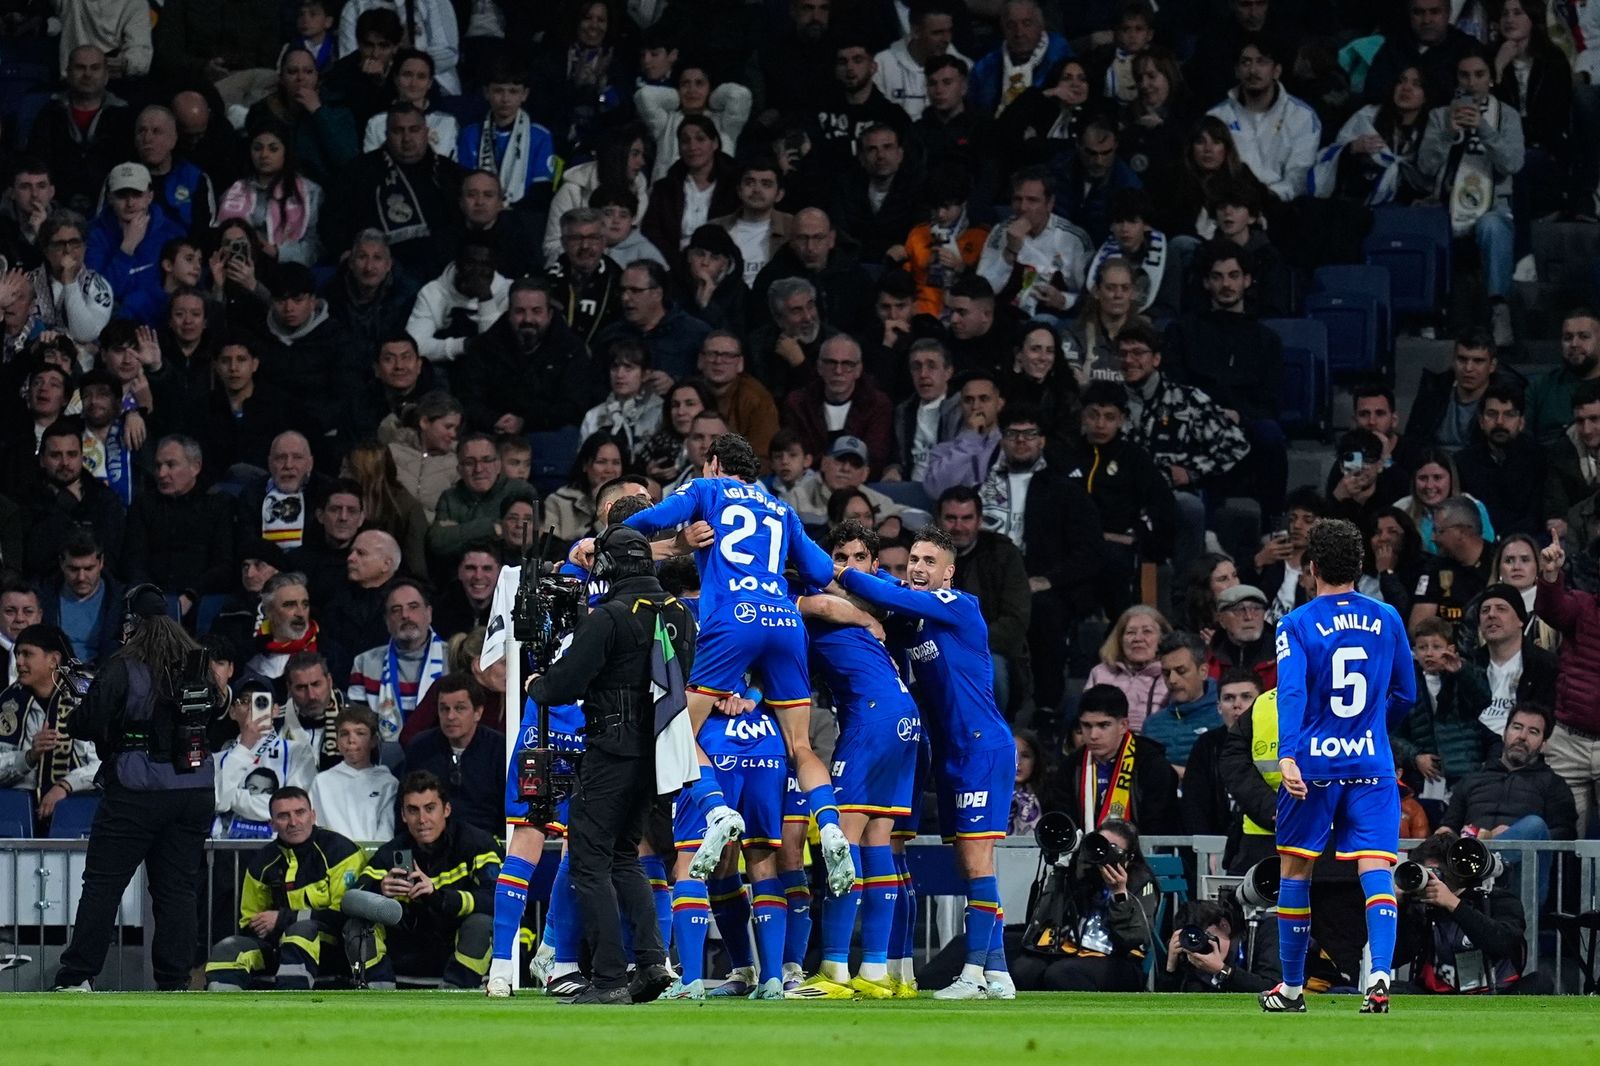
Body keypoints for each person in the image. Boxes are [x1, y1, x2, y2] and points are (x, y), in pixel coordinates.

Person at [618, 434, 852, 901]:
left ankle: (717, 810)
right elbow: (821, 571)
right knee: (801, 745)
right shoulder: (781, 508)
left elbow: (647, 519)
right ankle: (829, 823)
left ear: (713, 463)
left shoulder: (706, 489)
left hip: (733, 619)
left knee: (677, 729)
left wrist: (639, 536)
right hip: (784, 621)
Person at [835, 525, 1016, 1000]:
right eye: (913, 559)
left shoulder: (961, 605)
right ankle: (998, 973)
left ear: (949, 572)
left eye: (929, 561)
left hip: (982, 749)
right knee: (968, 862)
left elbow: (880, 589)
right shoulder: (911, 618)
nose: (917, 568)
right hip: (950, 754)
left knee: (976, 862)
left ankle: (972, 976)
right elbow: (881, 594)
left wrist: (840, 571)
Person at [522, 525, 694, 1004]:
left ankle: (609, 978)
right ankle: (652, 962)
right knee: (624, 857)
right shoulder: (682, 613)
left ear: (608, 566)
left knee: (588, 861)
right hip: (658, 754)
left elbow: (563, 685)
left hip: (612, 750)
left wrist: (538, 682)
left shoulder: (611, 615)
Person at [1260, 518, 1417, 1014]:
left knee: (1296, 868)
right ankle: (1380, 973)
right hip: (1372, 764)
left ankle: (1291, 989)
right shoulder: (1388, 617)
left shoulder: (1296, 623)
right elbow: (1406, 693)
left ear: (1311, 568)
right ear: (1360, 566)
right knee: (1377, 867)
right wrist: (1371, 730)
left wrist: (1288, 754)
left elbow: (1291, 691)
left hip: (1313, 767)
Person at [53, 590, 223, 990]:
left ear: (131, 624)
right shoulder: (197, 664)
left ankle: (77, 976)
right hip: (194, 787)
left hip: (137, 788)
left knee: (104, 884)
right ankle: (175, 981)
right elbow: (217, 710)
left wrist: (80, 706)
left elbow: (87, 723)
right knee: (177, 889)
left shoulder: (124, 665)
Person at [346, 770, 500, 988]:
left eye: (430, 808)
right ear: (403, 815)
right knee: (358, 922)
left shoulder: (476, 843)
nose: (422, 819)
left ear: (446, 809)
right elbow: (351, 899)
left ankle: (455, 994)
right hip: (408, 950)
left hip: (456, 946)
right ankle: (379, 994)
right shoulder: (392, 852)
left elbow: (497, 899)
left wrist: (438, 896)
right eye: (413, 810)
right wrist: (379, 891)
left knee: (481, 923)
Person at [204, 784, 366, 990]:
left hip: (335, 949)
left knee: (299, 933)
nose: (293, 822)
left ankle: (289, 1005)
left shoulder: (340, 851)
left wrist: (282, 919)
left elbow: (346, 917)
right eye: (283, 816)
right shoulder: (261, 862)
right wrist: (270, 928)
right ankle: (221, 1009)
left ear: (313, 816)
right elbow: (250, 922)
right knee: (227, 949)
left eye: (300, 813)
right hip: (277, 946)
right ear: (272, 824)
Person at [1419, 50, 1525, 349]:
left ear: (1490, 79)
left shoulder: (1507, 115)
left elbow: (1513, 164)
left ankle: (1499, 311)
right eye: (1464, 75)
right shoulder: (1439, 115)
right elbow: (1425, 168)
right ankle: (1425, 314)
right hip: (1444, 204)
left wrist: (1484, 129)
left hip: (1493, 205)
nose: (1472, 82)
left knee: (1493, 226)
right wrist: (1448, 134)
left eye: (1479, 75)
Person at [1435, 701, 1577, 904]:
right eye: (1517, 727)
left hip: (1520, 882)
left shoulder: (1553, 784)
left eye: (1533, 732)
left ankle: (1479, 864)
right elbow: (1449, 826)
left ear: (1544, 744)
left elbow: (1564, 835)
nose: (1522, 736)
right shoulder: (1472, 780)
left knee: (1534, 826)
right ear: (1504, 733)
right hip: (1468, 882)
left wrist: (1516, 836)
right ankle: (1477, 866)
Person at [1008, 816, 1158, 992]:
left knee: (1062, 974)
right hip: (1072, 951)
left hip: (1120, 958)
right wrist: (1062, 873)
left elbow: (1134, 938)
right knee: (1024, 971)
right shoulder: (1082, 871)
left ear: (1129, 857)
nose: (1102, 853)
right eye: (1099, 844)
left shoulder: (1141, 881)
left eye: (1112, 849)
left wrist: (1119, 894)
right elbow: (1044, 919)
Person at [1391, 832, 1542, 993]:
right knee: (1389, 990)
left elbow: (1503, 943)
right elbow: (1395, 959)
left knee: (1540, 982)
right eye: (1426, 873)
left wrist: (1454, 904)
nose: (1432, 880)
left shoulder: (1496, 899)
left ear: (1458, 871)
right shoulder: (1421, 906)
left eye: (1436, 872)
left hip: (1496, 992)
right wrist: (1400, 908)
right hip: (1438, 995)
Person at [0, 624, 99, 829]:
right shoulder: (9, 702)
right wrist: (29, 757)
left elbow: (108, 763)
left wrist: (66, 785)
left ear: (53, 660)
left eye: (27, 654)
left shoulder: (88, 696)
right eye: (17, 654)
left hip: (80, 811)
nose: (19, 662)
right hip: (19, 815)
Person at [977, 167, 1093, 319]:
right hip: (1006, 315)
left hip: (1054, 317)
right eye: (1017, 199)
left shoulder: (1073, 239)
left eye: (1032, 200)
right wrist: (1010, 251)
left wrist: (1063, 300)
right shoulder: (1000, 231)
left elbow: (1091, 296)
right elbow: (982, 291)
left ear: (1050, 203)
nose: (1023, 208)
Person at [400, 672, 504, 839]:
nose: (450, 716)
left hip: (487, 843)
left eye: (460, 708)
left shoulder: (499, 748)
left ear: (478, 712)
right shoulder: (420, 747)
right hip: (431, 844)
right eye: (444, 709)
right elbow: (404, 804)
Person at [347, 578, 446, 742]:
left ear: (429, 613)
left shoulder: (453, 659)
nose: (405, 615)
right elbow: (357, 729)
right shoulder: (364, 664)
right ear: (386, 620)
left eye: (413, 607)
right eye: (396, 610)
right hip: (382, 755)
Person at [457, 63, 556, 211]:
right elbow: (464, 183)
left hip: (524, 215)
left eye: (513, 91)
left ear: (525, 95)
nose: (505, 99)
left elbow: (542, 189)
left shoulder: (540, 136)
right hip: (479, 211)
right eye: (498, 91)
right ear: (486, 93)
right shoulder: (470, 134)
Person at [404, 234, 510, 365]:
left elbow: (493, 352)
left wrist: (485, 298)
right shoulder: (432, 293)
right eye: (470, 263)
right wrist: (463, 345)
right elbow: (413, 347)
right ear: (457, 265)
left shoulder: (507, 292)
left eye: (485, 265)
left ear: (494, 268)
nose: (477, 272)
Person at [1143, 631, 1223, 773]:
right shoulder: (1152, 725)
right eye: (1166, 673)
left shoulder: (1226, 717)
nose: (1172, 680)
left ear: (1203, 671)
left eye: (1181, 671)